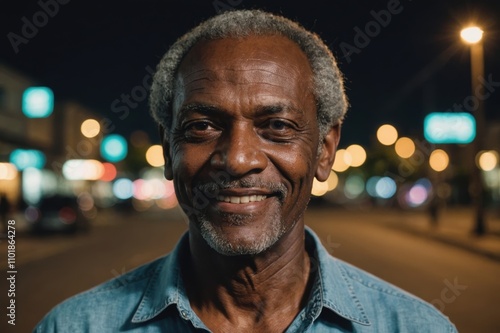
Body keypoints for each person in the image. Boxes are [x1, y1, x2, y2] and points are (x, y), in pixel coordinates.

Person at [34, 10, 457, 332]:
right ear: (168, 149)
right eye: (202, 126)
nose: (237, 159)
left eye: (277, 127)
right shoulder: (75, 326)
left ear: (325, 150)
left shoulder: (415, 326)